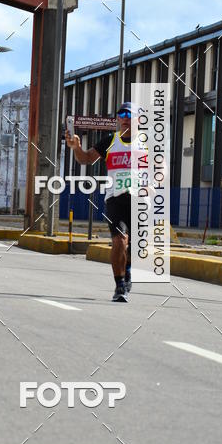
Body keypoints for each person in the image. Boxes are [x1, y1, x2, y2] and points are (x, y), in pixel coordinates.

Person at [66, 102, 143, 303]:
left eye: (130, 114)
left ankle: (127, 270)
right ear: (118, 119)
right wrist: (77, 147)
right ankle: (119, 286)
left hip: (140, 200)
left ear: (138, 119)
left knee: (135, 247)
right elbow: (85, 159)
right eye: (122, 114)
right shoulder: (110, 141)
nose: (125, 118)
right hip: (115, 199)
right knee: (119, 241)